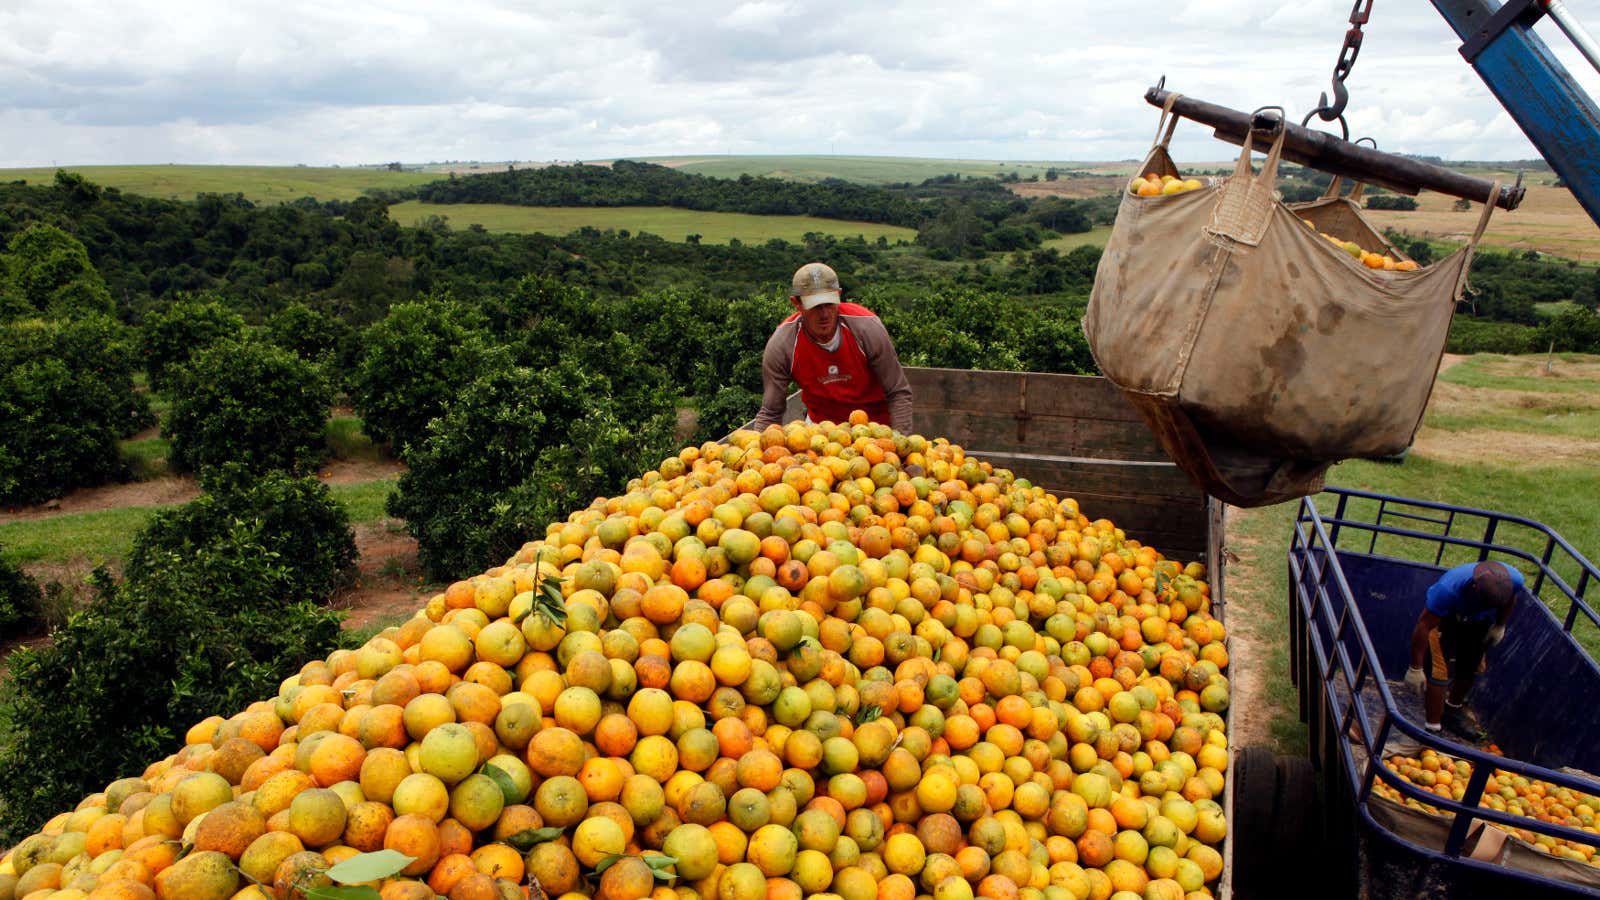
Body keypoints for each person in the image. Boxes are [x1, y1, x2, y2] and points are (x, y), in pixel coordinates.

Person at [751, 262, 914, 434]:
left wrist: (899, 442)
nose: (824, 314)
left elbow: (898, 392)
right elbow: (771, 411)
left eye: (829, 303)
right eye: (815, 306)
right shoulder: (783, 344)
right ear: (796, 302)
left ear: (839, 295)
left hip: (874, 429)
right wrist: (754, 452)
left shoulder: (866, 328)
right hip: (820, 432)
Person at [1403, 560, 1527, 736]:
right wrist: (1415, 667)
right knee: (1440, 672)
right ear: (1475, 588)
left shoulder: (1514, 579)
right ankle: (1433, 728)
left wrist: (1500, 625)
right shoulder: (1447, 589)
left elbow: (1511, 599)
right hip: (1445, 619)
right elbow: (1424, 626)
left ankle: (1452, 710)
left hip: (1479, 621)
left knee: (1471, 666)